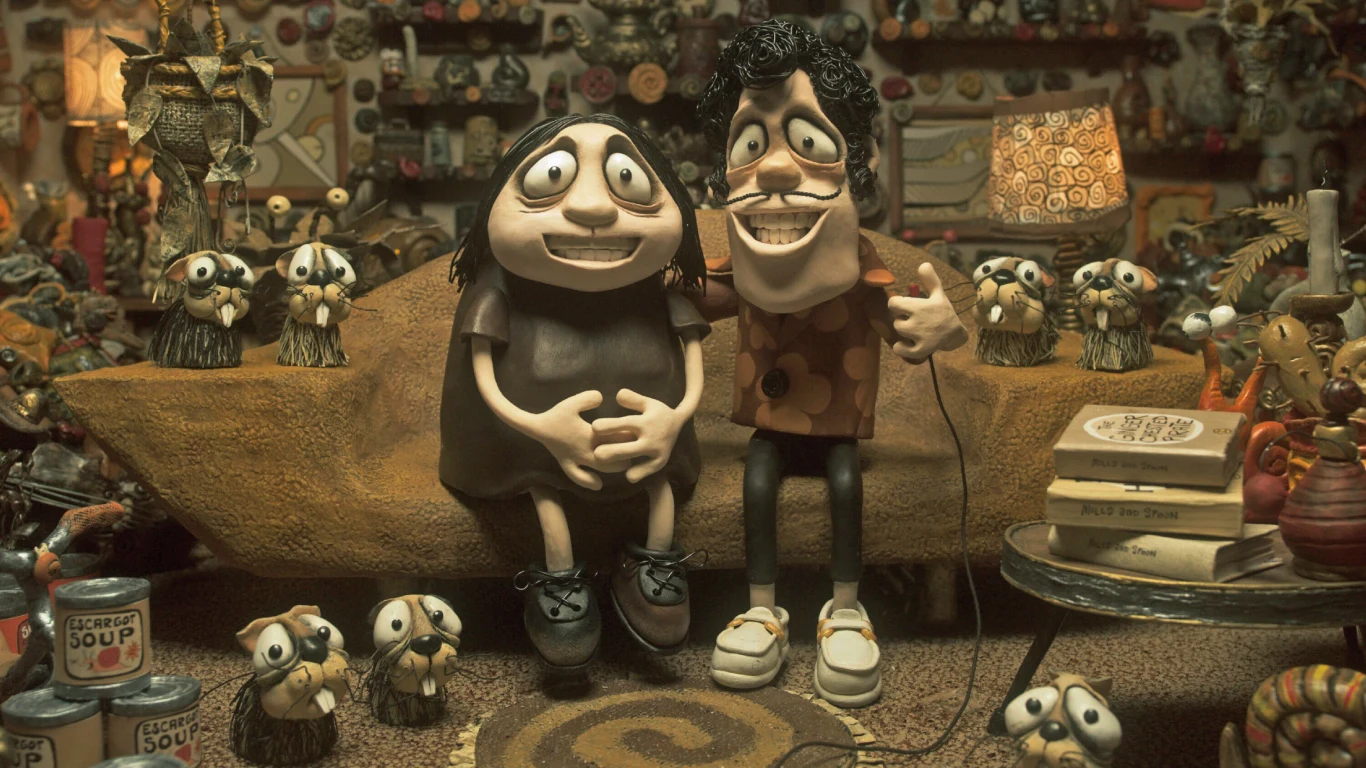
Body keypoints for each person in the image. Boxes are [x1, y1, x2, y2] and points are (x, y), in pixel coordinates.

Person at [693, 20, 969, 708]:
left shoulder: (859, 266)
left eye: (809, 143)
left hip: (838, 423)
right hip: (772, 424)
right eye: (750, 145)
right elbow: (696, 297)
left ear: (856, 161)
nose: (775, 169)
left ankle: (845, 609)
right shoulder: (742, 264)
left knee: (847, 485)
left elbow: (898, 319)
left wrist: (944, 328)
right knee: (759, 481)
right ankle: (761, 609)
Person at [440, 114, 709, 671]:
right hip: (535, 452)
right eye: (551, 179)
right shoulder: (499, 292)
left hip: (644, 449)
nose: (592, 208)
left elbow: (692, 360)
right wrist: (541, 429)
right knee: (547, 497)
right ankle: (558, 576)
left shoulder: (656, 291)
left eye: (627, 180)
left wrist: (672, 421)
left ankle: (652, 561)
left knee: (659, 490)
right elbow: (482, 376)